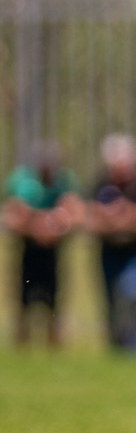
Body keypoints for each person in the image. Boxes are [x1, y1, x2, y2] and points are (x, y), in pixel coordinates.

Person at [88, 133, 136, 352]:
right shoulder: (101, 184)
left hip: (135, 252)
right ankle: (115, 346)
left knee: (135, 295)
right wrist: (122, 219)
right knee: (111, 300)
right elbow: (92, 219)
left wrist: (125, 216)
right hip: (108, 251)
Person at [3, 143, 85, 349]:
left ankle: (53, 344)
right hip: (28, 250)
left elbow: (76, 212)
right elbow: (13, 214)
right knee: (23, 300)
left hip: (53, 252)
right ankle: (22, 344)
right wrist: (37, 226)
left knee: (54, 301)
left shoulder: (64, 182)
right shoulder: (22, 182)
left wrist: (55, 227)